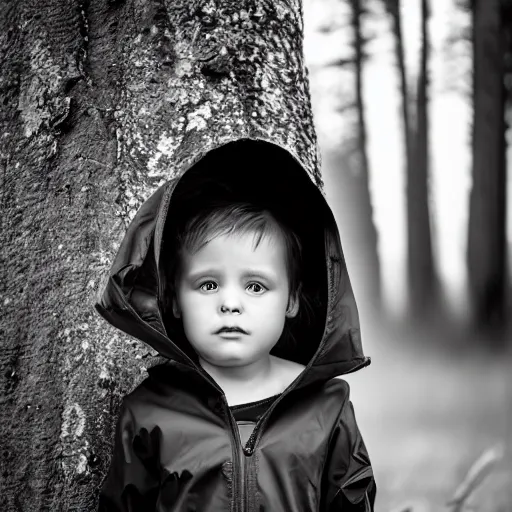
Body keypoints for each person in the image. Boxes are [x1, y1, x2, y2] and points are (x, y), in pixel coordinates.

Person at [96, 139, 376, 511]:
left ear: (291, 300)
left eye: (255, 286)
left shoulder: (325, 407)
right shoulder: (150, 412)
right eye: (208, 285)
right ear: (175, 300)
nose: (230, 303)